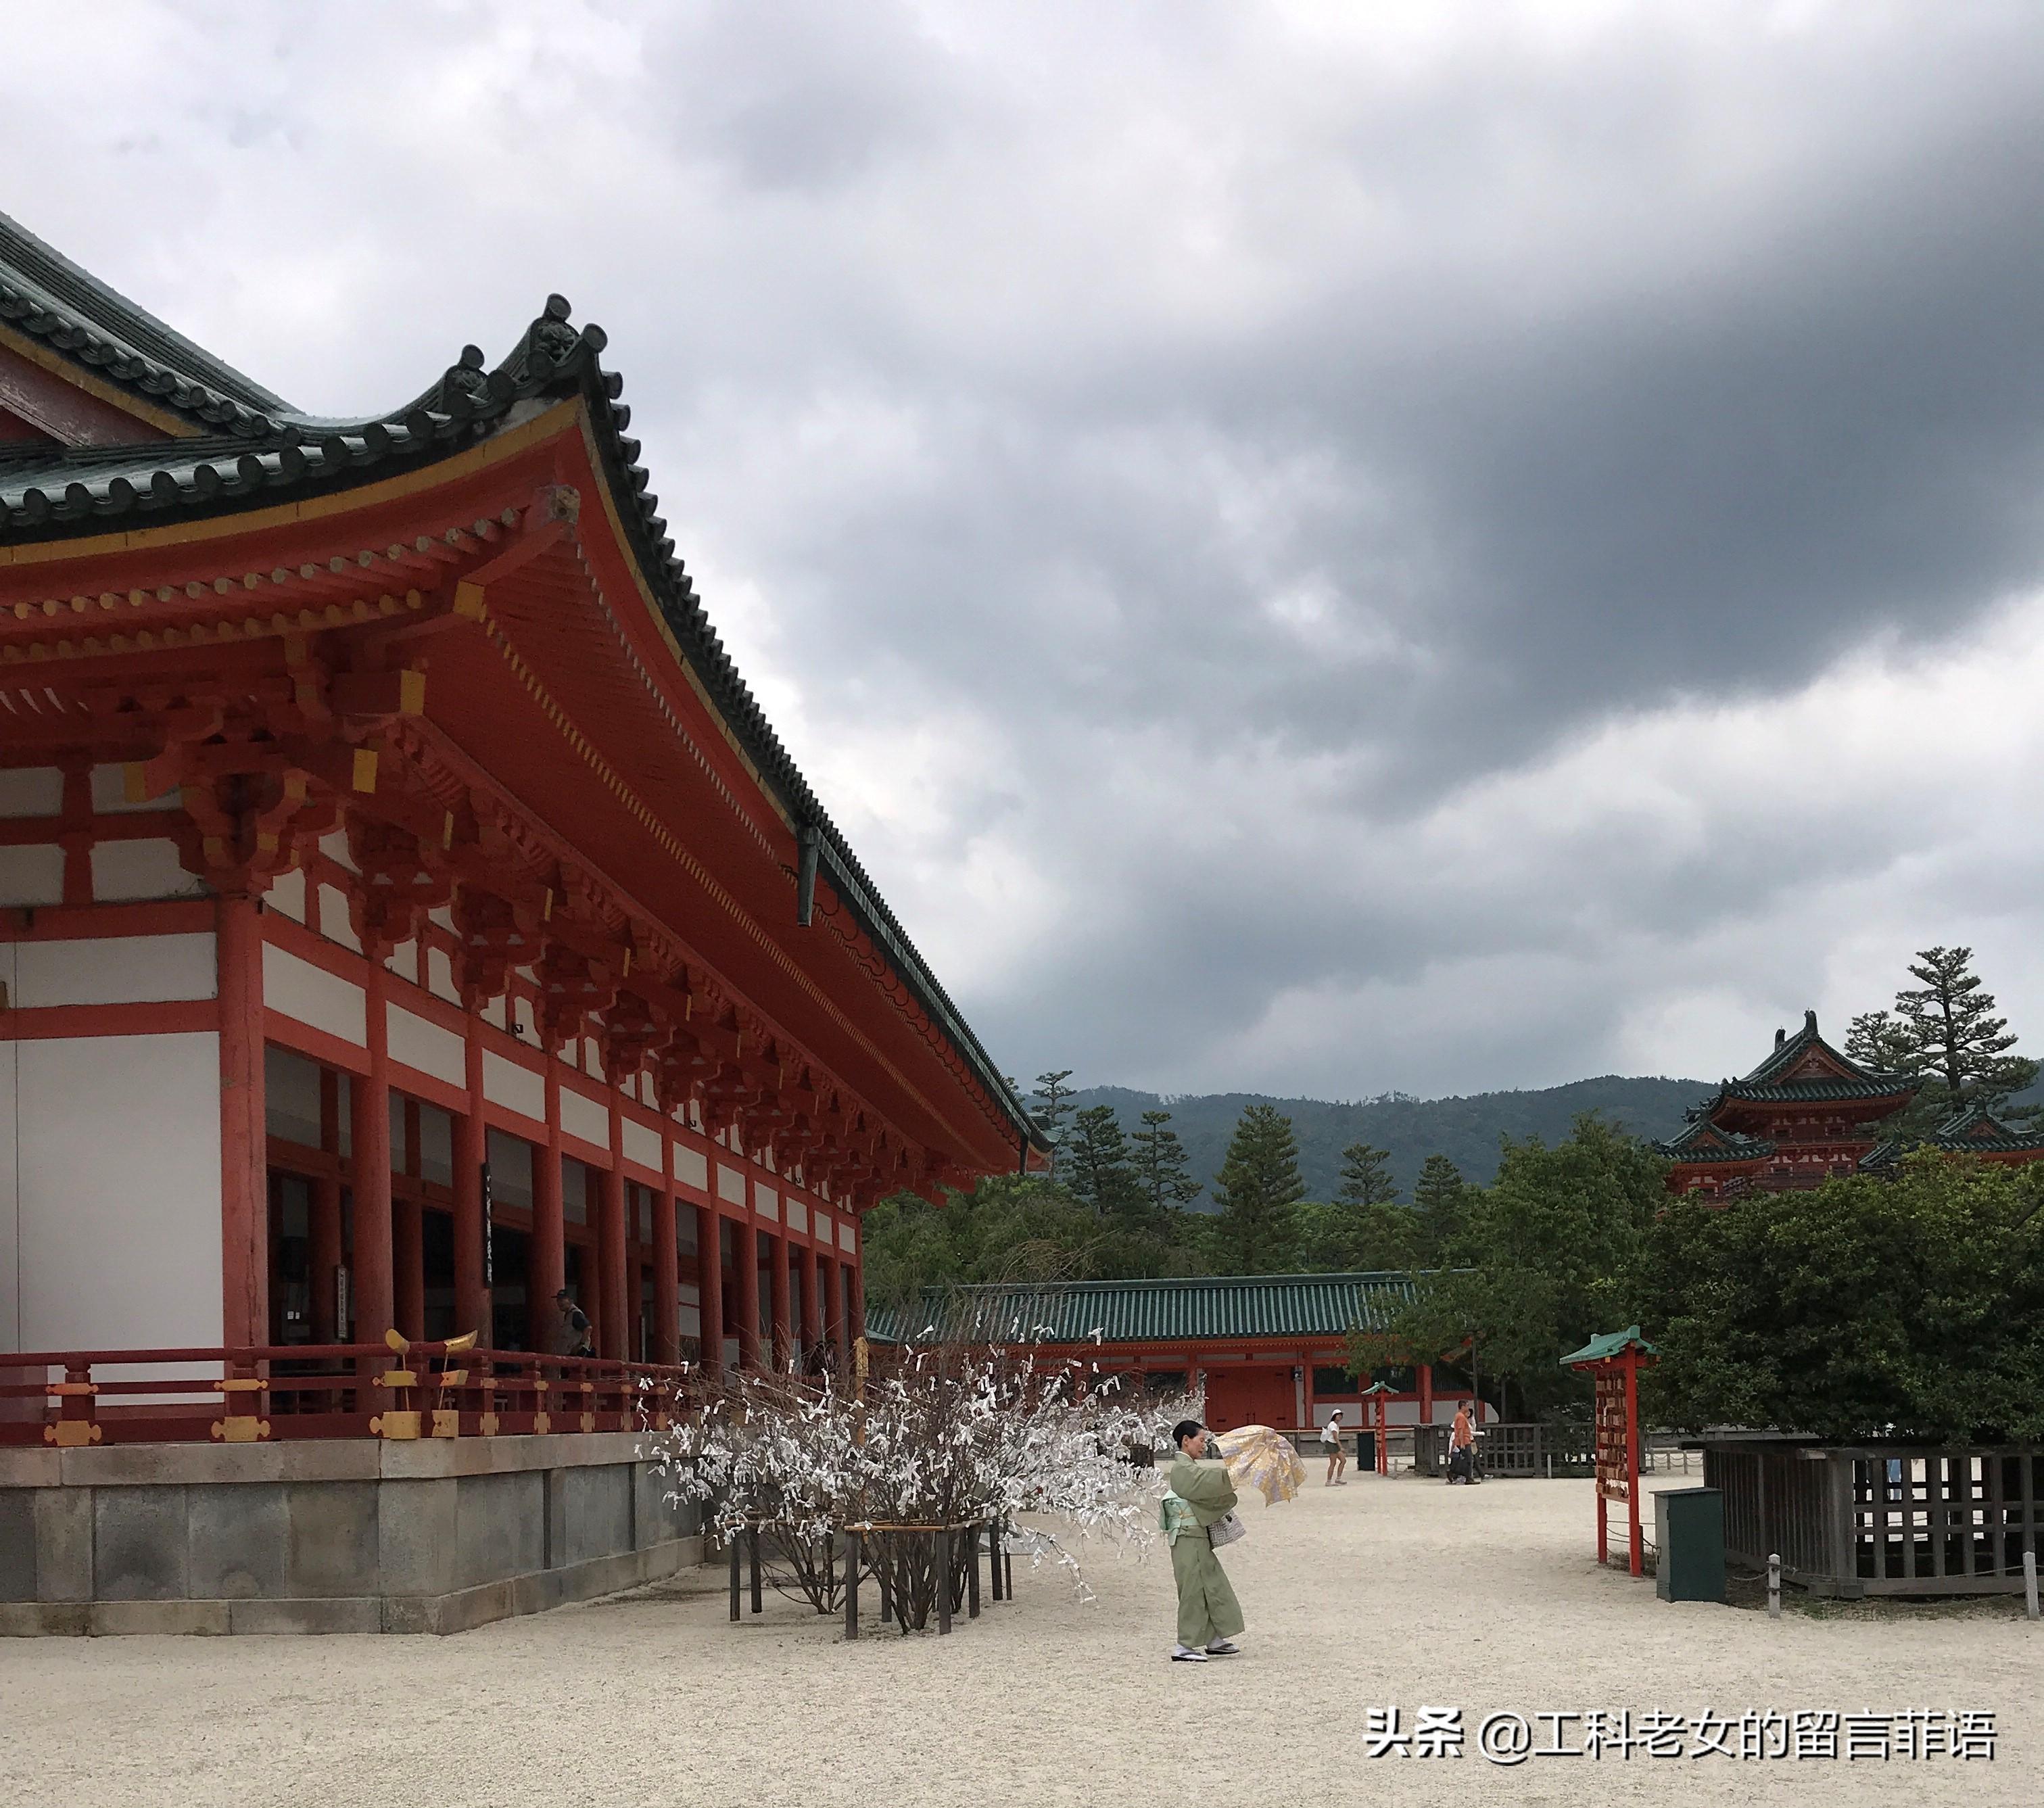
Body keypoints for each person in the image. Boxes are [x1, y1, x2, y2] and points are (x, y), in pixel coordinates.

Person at [1162, 1420, 1246, 1662]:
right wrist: (1234, 1473)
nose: (1204, 1445)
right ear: (1186, 1441)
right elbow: (1204, 1482)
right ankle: (1184, 1645)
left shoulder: (1187, 1468)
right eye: (1201, 1440)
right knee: (1194, 1590)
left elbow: (1204, 1483)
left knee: (1212, 1584)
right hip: (1188, 1537)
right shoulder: (1183, 1469)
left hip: (1195, 1536)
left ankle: (1213, 1638)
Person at [554, 1288, 594, 1359]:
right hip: (569, 1355)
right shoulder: (569, 1315)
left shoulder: (576, 1314)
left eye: (562, 1300)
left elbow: (588, 1328)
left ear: (571, 1301)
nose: (559, 1303)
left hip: (576, 1356)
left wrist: (581, 1345)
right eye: (558, 1300)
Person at [1448, 1400, 1475, 1483]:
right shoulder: (1461, 1417)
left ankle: (1459, 1474)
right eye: (1467, 1406)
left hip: (1464, 1440)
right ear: (1463, 1406)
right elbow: (1460, 1430)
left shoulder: (1460, 1416)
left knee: (1465, 1459)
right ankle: (1456, 1473)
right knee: (1468, 1459)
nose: (1468, 1408)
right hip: (1464, 1440)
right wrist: (1462, 1442)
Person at [1321, 1409, 1348, 1487]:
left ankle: (1338, 1478)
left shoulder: (1335, 1425)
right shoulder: (1333, 1425)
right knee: (1333, 1463)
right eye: (1338, 1415)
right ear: (1334, 1416)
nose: (1339, 1417)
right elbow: (1335, 1436)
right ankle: (1328, 1481)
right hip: (1332, 1444)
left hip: (1334, 1444)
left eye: (1340, 1415)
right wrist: (1341, 1447)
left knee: (1343, 1460)